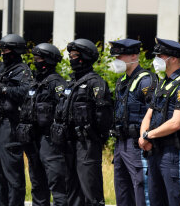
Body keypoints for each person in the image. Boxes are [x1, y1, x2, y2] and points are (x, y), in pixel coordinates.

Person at [138, 38, 180, 206]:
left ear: (173, 58)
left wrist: (147, 135)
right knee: (155, 200)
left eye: (161, 55)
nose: (156, 59)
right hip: (154, 151)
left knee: (175, 200)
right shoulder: (163, 84)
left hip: (172, 153)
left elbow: (176, 123)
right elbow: (148, 115)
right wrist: (144, 137)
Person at [54, 38, 113, 206]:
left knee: (90, 190)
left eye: (74, 55)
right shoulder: (71, 83)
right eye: (70, 55)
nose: (71, 58)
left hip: (87, 143)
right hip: (69, 143)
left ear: (84, 57)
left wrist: (96, 137)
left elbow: (104, 117)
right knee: (72, 190)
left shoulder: (95, 83)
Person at [0, 34, 34, 205]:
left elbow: (26, 92)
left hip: (10, 125)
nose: (3, 53)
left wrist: (3, 89)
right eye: (2, 50)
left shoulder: (22, 70)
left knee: (12, 171)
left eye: (6, 50)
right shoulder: (2, 71)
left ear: (16, 51)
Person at [109, 39, 158, 206]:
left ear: (134, 56)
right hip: (120, 143)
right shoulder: (122, 81)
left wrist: (148, 138)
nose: (116, 61)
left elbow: (155, 113)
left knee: (140, 186)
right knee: (122, 188)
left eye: (119, 57)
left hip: (137, 144)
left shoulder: (146, 81)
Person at [18, 43, 68, 205]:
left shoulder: (56, 83)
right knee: (37, 184)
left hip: (50, 141)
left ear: (48, 60)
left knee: (57, 184)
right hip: (33, 140)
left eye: (38, 59)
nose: (35, 62)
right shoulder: (34, 83)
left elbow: (64, 111)